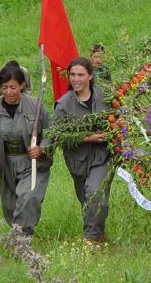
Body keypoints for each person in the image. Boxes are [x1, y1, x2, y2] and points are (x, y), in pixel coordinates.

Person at [0, 65, 51, 237]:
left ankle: (22, 241)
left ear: (22, 86)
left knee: (27, 198)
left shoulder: (35, 106)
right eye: (4, 87)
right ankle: (18, 233)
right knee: (10, 206)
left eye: (13, 87)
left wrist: (42, 148)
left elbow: (51, 133)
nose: (8, 92)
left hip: (32, 163)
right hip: (5, 163)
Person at [55, 57, 111, 245]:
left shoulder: (105, 96)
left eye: (81, 75)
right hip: (77, 160)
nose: (76, 79)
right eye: (72, 75)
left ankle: (91, 239)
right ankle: (99, 234)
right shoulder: (63, 104)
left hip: (102, 156)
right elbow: (59, 135)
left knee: (95, 194)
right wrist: (87, 138)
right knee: (87, 199)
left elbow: (120, 118)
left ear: (90, 76)